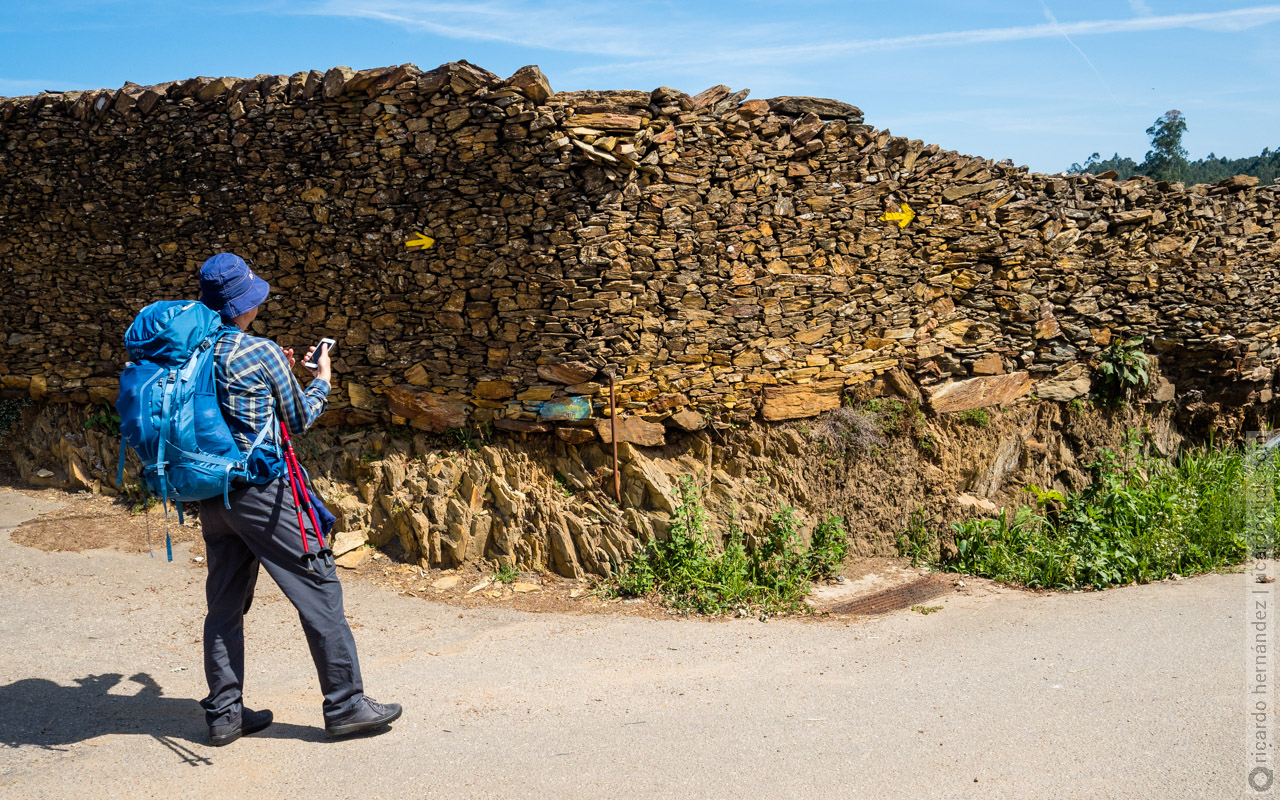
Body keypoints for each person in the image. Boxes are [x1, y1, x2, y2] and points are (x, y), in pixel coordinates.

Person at [194, 252, 401, 746]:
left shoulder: (194, 351)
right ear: (247, 302)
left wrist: (274, 375)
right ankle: (346, 704)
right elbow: (300, 417)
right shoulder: (259, 351)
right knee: (319, 590)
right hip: (263, 492)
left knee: (224, 603)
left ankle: (225, 714)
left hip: (211, 494)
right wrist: (322, 378)